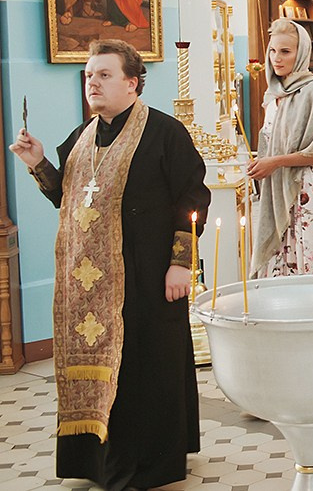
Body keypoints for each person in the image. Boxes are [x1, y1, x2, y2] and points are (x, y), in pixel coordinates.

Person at [9, 39, 210, 489]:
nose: (92, 83)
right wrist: (38, 162)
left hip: (148, 277)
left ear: (132, 83)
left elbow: (194, 196)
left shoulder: (164, 132)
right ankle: (96, 462)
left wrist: (181, 263)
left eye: (103, 74)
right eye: (88, 76)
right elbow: (72, 201)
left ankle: (150, 464)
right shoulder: (81, 138)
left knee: (147, 368)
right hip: (92, 287)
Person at [249, 18, 313, 279]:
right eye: (272, 50)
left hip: (308, 189)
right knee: (282, 263)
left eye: (285, 51)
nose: (276, 58)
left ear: (301, 53)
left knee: (311, 262)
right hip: (279, 186)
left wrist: (275, 162)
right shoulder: (274, 95)